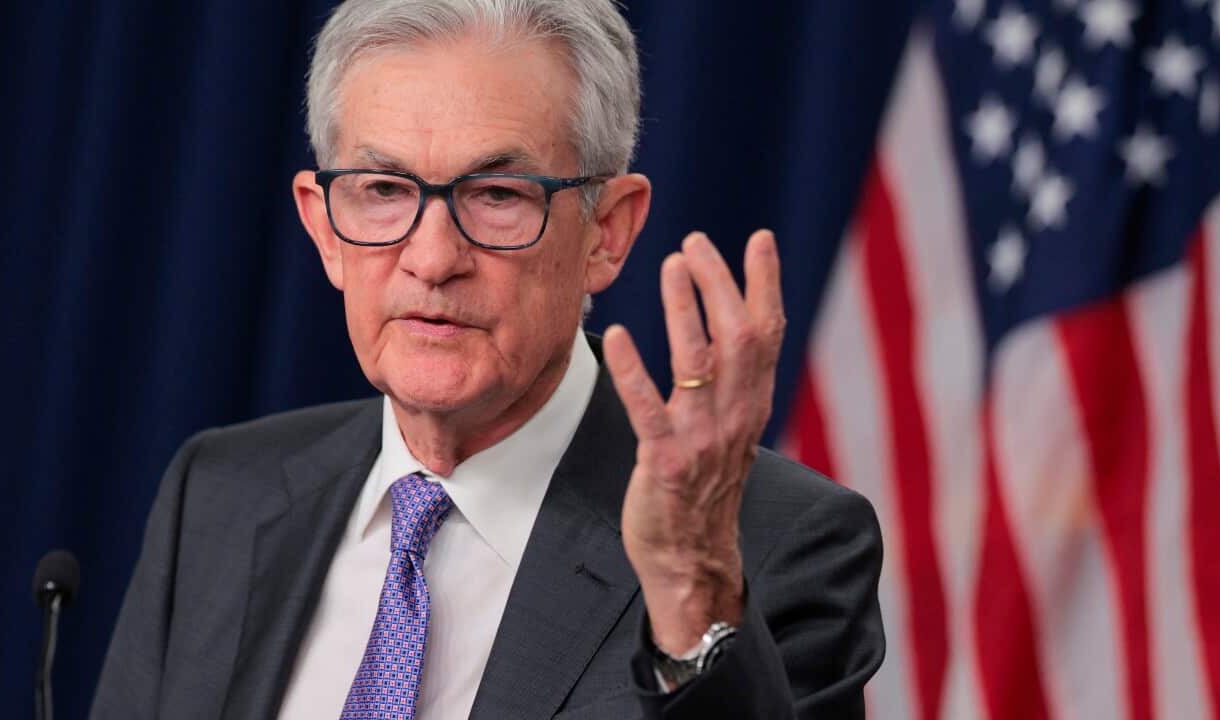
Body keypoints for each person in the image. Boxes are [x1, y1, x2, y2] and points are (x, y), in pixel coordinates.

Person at [91, 1, 884, 718]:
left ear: (607, 231)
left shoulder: (769, 548)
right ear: (324, 225)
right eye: (383, 189)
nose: (432, 258)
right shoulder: (220, 493)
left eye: (498, 195)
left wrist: (688, 595)